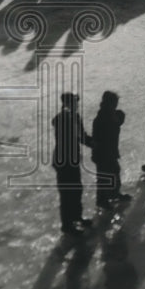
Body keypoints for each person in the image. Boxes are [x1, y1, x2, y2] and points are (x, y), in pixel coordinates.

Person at [53, 92, 93, 234]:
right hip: (64, 161)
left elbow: (82, 137)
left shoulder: (74, 117)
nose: (77, 105)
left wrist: (96, 143)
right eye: (75, 102)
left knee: (76, 189)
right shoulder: (63, 118)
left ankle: (77, 217)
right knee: (67, 193)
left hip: (72, 160)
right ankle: (67, 225)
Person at [91, 91, 129, 208]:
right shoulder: (103, 117)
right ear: (110, 103)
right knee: (104, 177)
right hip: (103, 153)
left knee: (115, 171)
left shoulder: (110, 114)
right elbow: (102, 136)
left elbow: (118, 121)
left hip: (110, 151)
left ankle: (114, 194)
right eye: (115, 102)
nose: (117, 104)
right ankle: (102, 200)